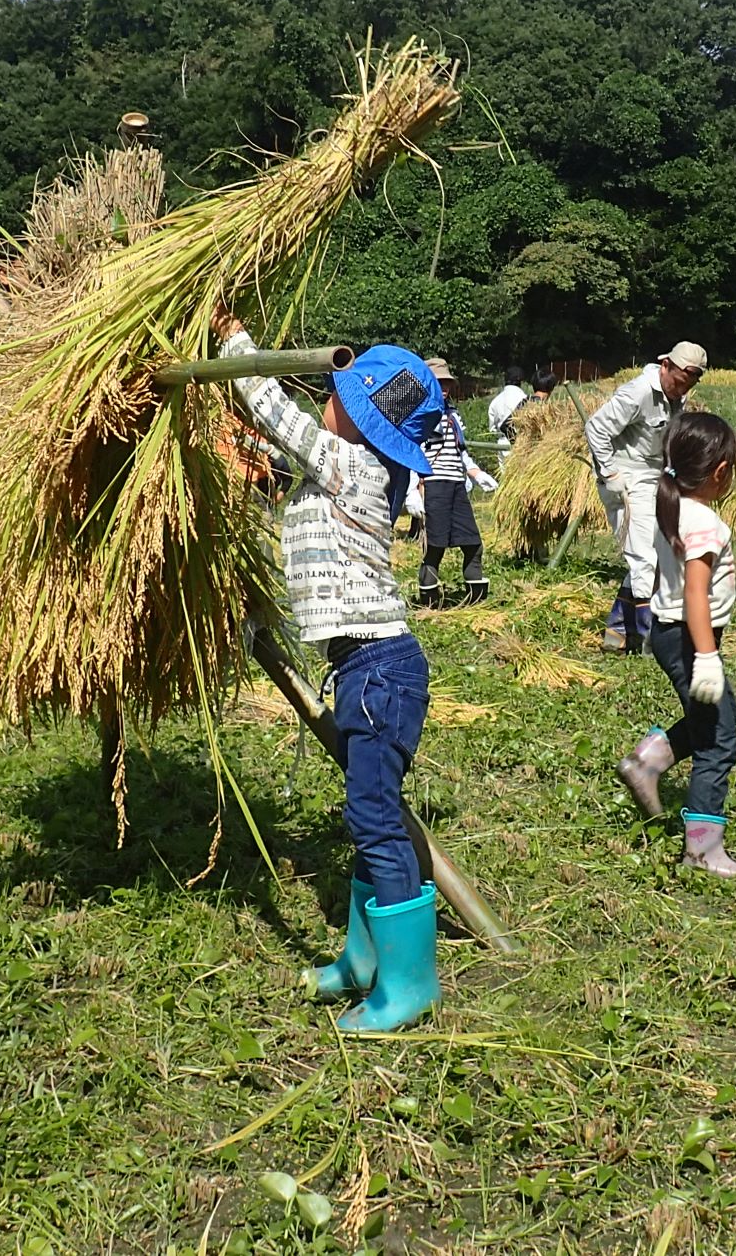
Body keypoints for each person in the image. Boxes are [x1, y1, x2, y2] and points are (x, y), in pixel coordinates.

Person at [215, 314, 446, 1034]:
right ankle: (362, 959)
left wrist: (234, 345)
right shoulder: (351, 468)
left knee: (372, 817)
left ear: (358, 415)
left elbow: (272, 409)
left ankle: (409, 985)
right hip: (366, 668)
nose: (323, 394)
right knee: (368, 814)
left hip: (379, 670)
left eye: (336, 389)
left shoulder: (352, 464)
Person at [614, 410, 736, 876]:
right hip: (691, 637)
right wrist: (708, 656)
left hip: (669, 633)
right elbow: (696, 592)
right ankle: (702, 851)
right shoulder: (706, 523)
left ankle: (649, 762)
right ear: (720, 471)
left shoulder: (669, 505)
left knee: (709, 718)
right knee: (718, 740)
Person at [585, 343, 708, 652]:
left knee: (660, 554)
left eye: (689, 385)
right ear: (665, 365)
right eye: (679, 382)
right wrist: (610, 474)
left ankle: (617, 634)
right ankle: (651, 640)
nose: (682, 390)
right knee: (645, 559)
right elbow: (596, 428)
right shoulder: (638, 392)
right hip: (626, 478)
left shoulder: (678, 395)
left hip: (654, 477)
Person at [417, 357, 499, 609]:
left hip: (456, 483)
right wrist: (412, 488)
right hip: (434, 484)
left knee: (472, 542)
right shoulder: (418, 415)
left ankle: (476, 601)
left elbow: (460, 452)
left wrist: (476, 473)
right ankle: (429, 603)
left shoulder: (453, 414)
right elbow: (409, 451)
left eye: (447, 383)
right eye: (439, 382)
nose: (444, 388)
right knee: (436, 545)